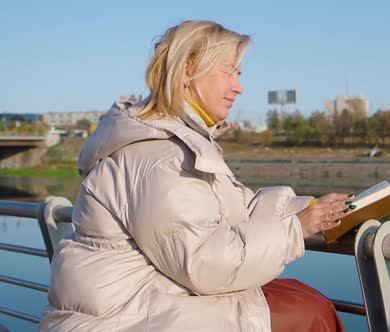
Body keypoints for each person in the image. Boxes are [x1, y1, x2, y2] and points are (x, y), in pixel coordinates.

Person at [39, 20, 356, 331]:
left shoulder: (172, 140)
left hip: (143, 301)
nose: (239, 87)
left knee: (299, 298)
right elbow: (204, 264)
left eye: (239, 74)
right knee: (307, 312)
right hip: (120, 317)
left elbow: (238, 210)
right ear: (188, 70)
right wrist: (296, 230)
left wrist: (313, 209)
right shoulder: (160, 158)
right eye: (228, 72)